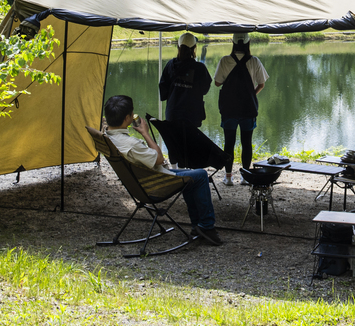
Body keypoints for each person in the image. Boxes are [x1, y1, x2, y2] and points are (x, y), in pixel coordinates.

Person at [102, 94, 223, 246]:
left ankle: (197, 226)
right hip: (154, 183)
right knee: (200, 175)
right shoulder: (131, 144)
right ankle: (206, 226)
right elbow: (159, 159)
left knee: (192, 177)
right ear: (127, 118)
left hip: (138, 183)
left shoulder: (107, 137)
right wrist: (145, 133)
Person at [213, 32, 268, 186]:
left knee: (228, 143)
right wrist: (251, 94)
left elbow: (217, 83)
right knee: (247, 142)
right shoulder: (254, 61)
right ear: (248, 42)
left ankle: (229, 177)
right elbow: (262, 84)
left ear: (232, 41)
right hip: (248, 109)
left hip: (229, 109)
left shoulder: (225, 60)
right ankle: (245, 176)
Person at [158, 32, 211, 164]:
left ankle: (176, 172)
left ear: (178, 47)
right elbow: (205, 89)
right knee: (189, 143)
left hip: (173, 111)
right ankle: (187, 173)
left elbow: (163, 90)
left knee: (173, 143)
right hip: (191, 114)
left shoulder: (170, 65)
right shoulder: (200, 68)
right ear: (194, 49)